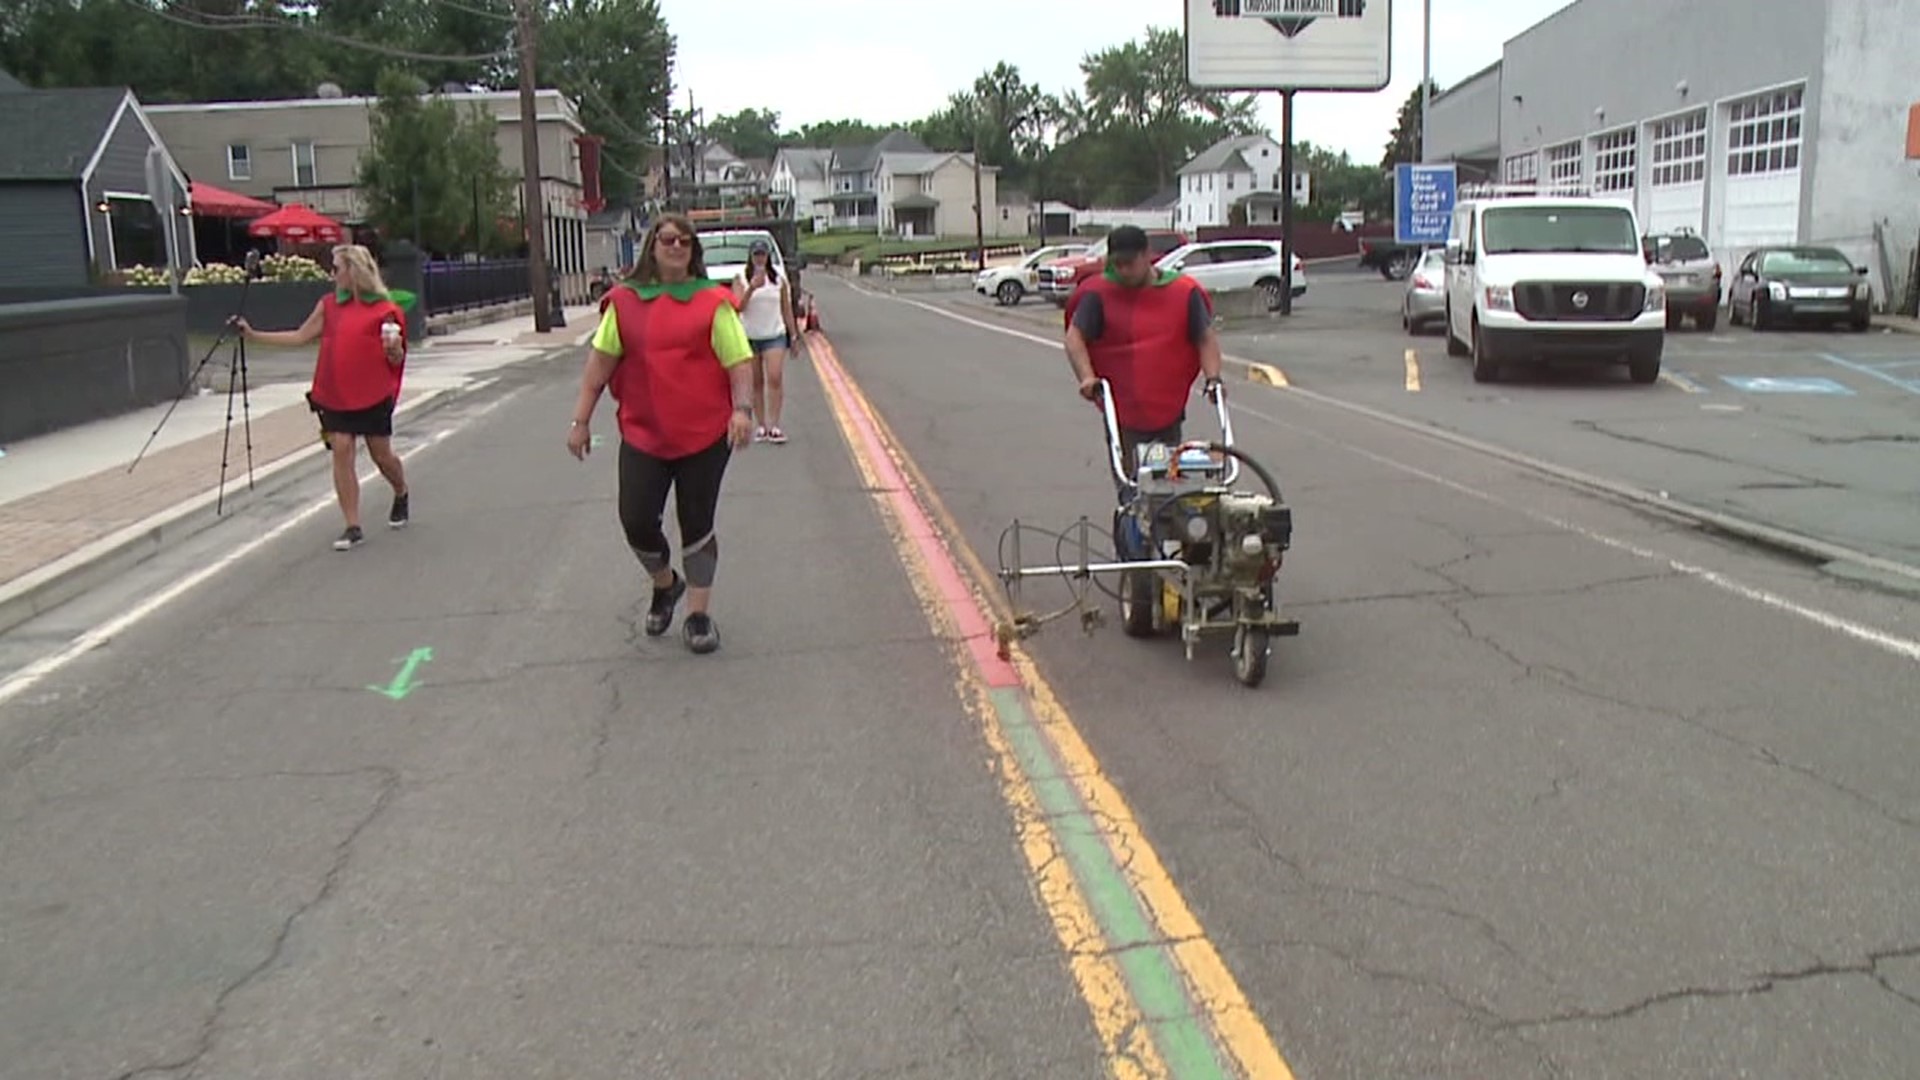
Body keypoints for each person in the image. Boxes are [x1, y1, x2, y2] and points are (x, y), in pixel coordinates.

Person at [567, 213, 756, 655]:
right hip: (644, 433)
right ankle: (665, 583)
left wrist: (742, 410)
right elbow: (599, 367)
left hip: (704, 434)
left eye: (684, 242)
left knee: (697, 522)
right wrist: (580, 421)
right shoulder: (625, 303)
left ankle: (697, 615)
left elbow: (739, 363)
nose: (675, 247)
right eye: (667, 240)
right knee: (636, 519)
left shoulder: (713, 302)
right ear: (652, 246)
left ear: (693, 252)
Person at [233, 243, 412, 551]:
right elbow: (301, 335)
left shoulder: (386, 310)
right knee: (341, 448)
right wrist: (254, 334)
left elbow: (396, 359)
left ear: (352, 272)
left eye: (336, 269)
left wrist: (394, 351)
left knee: (381, 454)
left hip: (373, 393)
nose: (332, 275)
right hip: (335, 392)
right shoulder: (329, 305)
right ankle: (352, 525)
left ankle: (401, 490)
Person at [1061, 225, 1225, 494]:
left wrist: (1213, 379)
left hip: (1166, 404)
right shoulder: (1098, 294)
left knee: (1170, 482)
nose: (1124, 272)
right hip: (1122, 408)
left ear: (1146, 255)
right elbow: (1075, 337)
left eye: (1130, 263)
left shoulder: (1182, 292)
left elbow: (1204, 338)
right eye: (1118, 265)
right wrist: (1087, 378)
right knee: (1133, 487)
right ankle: (1132, 528)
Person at [728, 238, 801, 443]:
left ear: (768, 257)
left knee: (775, 377)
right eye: (756, 255)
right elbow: (738, 307)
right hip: (749, 335)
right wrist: (752, 287)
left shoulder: (778, 280)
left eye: (763, 255)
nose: (760, 258)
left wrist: (793, 334)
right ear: (750, 258)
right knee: (756, 381)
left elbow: (786, 309)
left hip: (774, 334)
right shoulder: (741, 278)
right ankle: (761, 424)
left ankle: (774, 424)